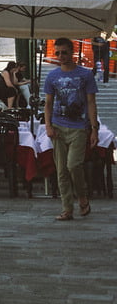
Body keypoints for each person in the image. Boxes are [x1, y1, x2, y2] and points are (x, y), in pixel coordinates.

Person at [43, 37, 99, 221]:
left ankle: (82, 196)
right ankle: (67, 208)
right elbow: (48, 104)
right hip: (58, 127)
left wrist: (94, 129)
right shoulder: (52, 76)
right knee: (61, 170)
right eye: (57, 53)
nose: (61, 56)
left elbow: (91, 102)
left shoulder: (85, 75)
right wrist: (48, 125)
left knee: (74, 165)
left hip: (79, 128)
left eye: (64, 52)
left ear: (72, 52)